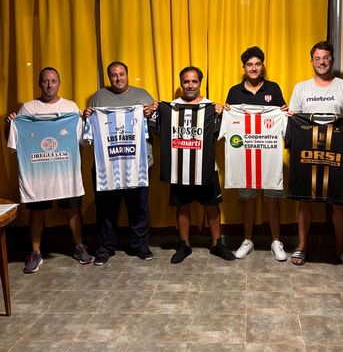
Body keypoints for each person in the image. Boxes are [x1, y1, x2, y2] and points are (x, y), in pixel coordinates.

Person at [5, 67, 92, 273]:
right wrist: (10, 124)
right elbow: (13, 143)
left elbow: (84, 140)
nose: (49, 85)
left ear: (59, 83)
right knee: (37, 212)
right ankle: (35, 252)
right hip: (38, 174)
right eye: (45, 81)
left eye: (53, 81)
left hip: (66, 172)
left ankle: (79, 246)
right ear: (39, 84)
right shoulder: (28, 109)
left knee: (72, 209)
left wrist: (85, 120)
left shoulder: (71, 108)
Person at [151, 66, 235, 264]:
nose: (190, 85)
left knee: (212, 205)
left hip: (206, 167)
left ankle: (217, 243)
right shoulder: (170, 107)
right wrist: (153, 112)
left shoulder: (211, 107)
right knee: (182, 206)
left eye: (194, 81)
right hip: (178, 167)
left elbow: (225, 133)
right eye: (186, 81)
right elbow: (153, 127)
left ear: (200, 83)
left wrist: (223, 114)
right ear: (181, 84)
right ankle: (184, 244)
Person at [288, 41, 343, 266]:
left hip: (336, 151)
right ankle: (302, 246)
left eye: (326, 58)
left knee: (339, 202)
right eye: (318, 58)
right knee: (304, 200)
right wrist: (290, 116)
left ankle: (340, 248)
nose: (322, 62)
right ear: (312, 62)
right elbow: (293, 119)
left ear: (332, 60)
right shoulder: (301, 88)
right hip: (307, 151)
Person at [84, 61, 154, 265]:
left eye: (122, 74)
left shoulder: (142, 95)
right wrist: (86, 117)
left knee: (139, 208)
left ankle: (140, 245)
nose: (118, 78)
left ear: (127, 74)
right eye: (114, 75)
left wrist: (151, 114)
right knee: (106, 209)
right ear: (109, 77)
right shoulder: (98, 97)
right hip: (107, 164)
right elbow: (88, 134)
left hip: (138, 163)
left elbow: (157, 126)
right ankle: (105, 248)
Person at [225, 46, 288, 261]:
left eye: (257, 64)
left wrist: (284, 112)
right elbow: (230, 121)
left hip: (269, 153)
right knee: (247, 199)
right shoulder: (234, 91)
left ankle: (276, 241)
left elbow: (283, 117)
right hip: (244, 155)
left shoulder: (273, 88)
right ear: (244, 67)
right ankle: (247, 240)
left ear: (262, 66)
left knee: (272, 198)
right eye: (250, 64)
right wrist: (224, 112)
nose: (254, 68)